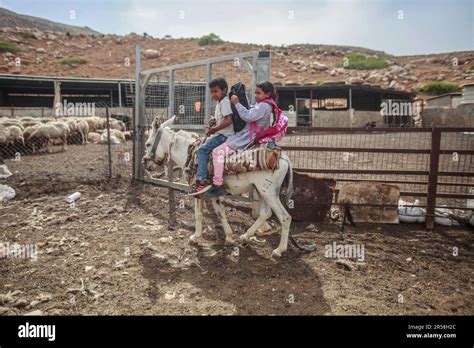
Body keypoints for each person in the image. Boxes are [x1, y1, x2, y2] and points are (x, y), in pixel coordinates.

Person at [205, 81, 277, 198]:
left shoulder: (264, 106)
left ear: (267, 94)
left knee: (217, 152)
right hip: (246, 135)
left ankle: (218, 185)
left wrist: (237, 103)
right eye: (255, 93)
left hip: (245, 138)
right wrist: (243, 99)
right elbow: (251, 110)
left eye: (258, 93)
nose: (256, 95)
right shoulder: (266, 104)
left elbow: (248, 116)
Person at [189, 77, 234, 196]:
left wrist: (214, 129)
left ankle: (201, 180)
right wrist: (215, 121)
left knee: (202, 150)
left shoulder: (224, 102)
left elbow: (228, 120)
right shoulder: (220, 102)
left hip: (224, 136)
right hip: (221, 134)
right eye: (212, 92)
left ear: (224, 90)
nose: (213, 94)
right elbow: (223, 119)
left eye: (216, 91)